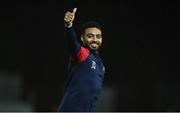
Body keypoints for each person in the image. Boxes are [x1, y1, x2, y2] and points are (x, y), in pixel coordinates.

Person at [58, 8, 105, 112]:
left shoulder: (101, 65)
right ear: (82, 38)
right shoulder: (83, 54)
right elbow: (72, 43)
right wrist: (68, 26)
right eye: (90, 36)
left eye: (98, 36)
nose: (95, 39)